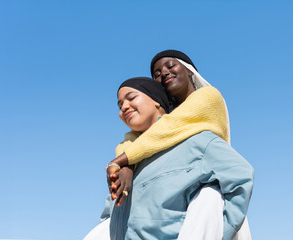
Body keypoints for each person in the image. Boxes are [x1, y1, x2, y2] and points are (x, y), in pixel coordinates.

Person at [105, 50, 253, 239]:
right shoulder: (134, 160)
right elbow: (108, 216)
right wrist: (127, 165)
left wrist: (219, 233)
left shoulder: (199, 124)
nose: (163, 73)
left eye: (170, 66)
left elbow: (240, 175)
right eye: (156, 74)